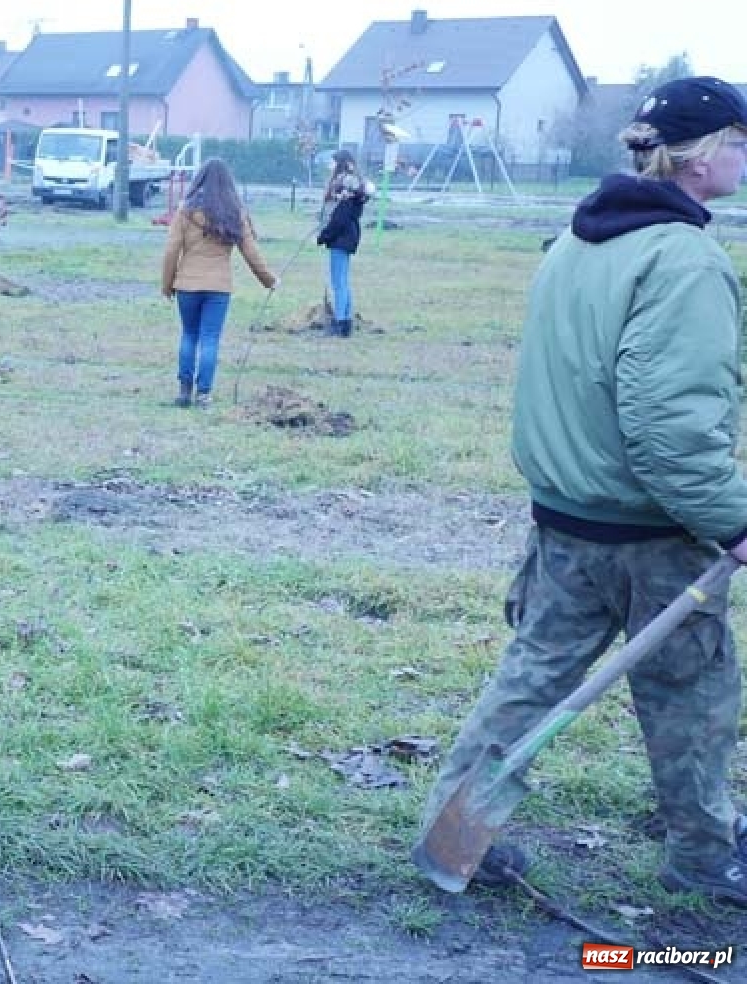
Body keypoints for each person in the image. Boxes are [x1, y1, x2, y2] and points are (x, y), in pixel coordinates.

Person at [415, 77, 747, 905]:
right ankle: (704, 855)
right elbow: (670, 426)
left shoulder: (576, 241)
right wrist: (734, 518)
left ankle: (452, 829)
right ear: (699, 157)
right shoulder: (685, 261)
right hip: (651, 533)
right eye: (741, 144)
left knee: (528, 682)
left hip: (564, 519)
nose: (746, 160)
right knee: (691, 696)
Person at [158, 158, 277, 407]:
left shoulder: (185, 211)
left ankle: (184, 391)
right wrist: (269, 280)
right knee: (210, 339)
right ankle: (204, 394)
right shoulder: (235, 213)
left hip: (187, 286)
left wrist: (167, 284)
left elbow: (171, 251)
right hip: (218, 288)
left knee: (189, 335)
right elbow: (251, 252)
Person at [317, 149, 369, 337]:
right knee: (343, 281)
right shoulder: (354, 186)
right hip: (347, 237)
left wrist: (325, 235)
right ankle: (346, 319)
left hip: (340, 239)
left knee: (338, 282)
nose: (330, 166)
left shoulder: (344, 188)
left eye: (333, 162)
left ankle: (341, 323)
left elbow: (339, 218)